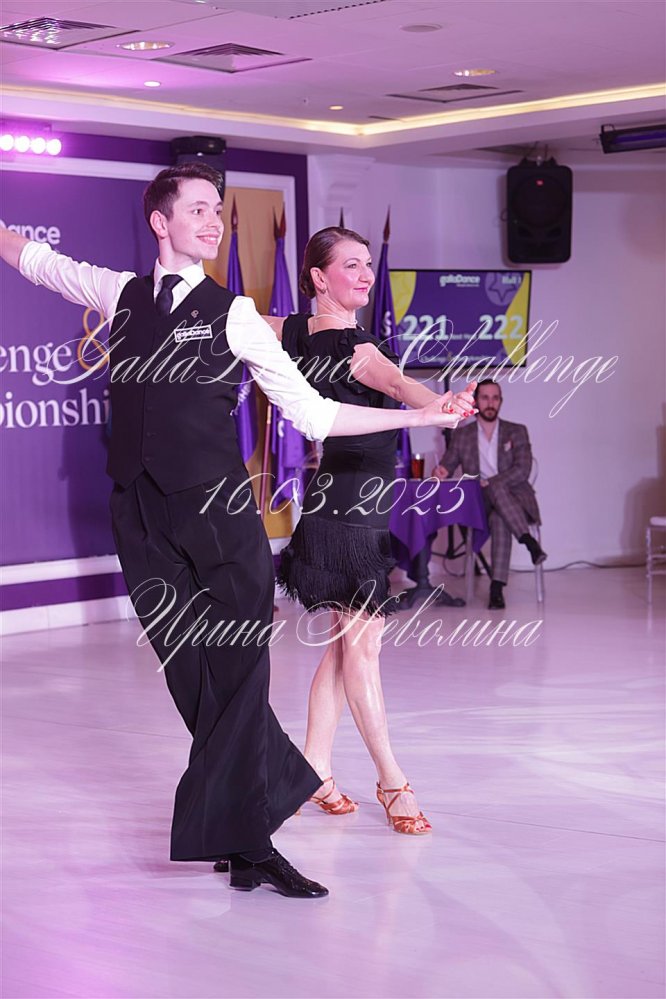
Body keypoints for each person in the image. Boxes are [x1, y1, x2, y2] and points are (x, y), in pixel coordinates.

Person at [0, 166, 471, 898]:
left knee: (240, 673)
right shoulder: (119, 293)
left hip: (220, 518)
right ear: (160, 222)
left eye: (217, 209)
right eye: (198, 209)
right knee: (193, 675)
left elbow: (313, 415)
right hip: (140, 513)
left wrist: (419, 413)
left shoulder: (235, 314)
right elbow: (33, 258)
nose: (214, 220)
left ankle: (251, 844)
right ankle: (271, 798)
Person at [267, 226, 476, 835]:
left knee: (343, 648)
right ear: (318, 277)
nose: (364, 275)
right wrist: (437, 402)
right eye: (351, 265)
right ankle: (392, 780)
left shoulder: (289, 330)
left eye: (367, 264)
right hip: (351, 511)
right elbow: (396, 383)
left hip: (341, 502)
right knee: (363, 649)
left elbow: (236, 321)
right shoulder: (356, 345)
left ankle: (314, 769)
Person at [433, 379, 546, 610]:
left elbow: (523, 470)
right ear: (476, 401)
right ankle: (528, 541)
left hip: (514, 501)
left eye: (495, 398)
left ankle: (496, 589)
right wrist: (441, 471)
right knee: (493, 491)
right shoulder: (462, 435)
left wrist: (489, 482)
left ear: (501, 401)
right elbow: (447, 466)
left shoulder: (517, 431)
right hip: (478, 503)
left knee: (499, 518)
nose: (490, 403)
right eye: (485, 398)